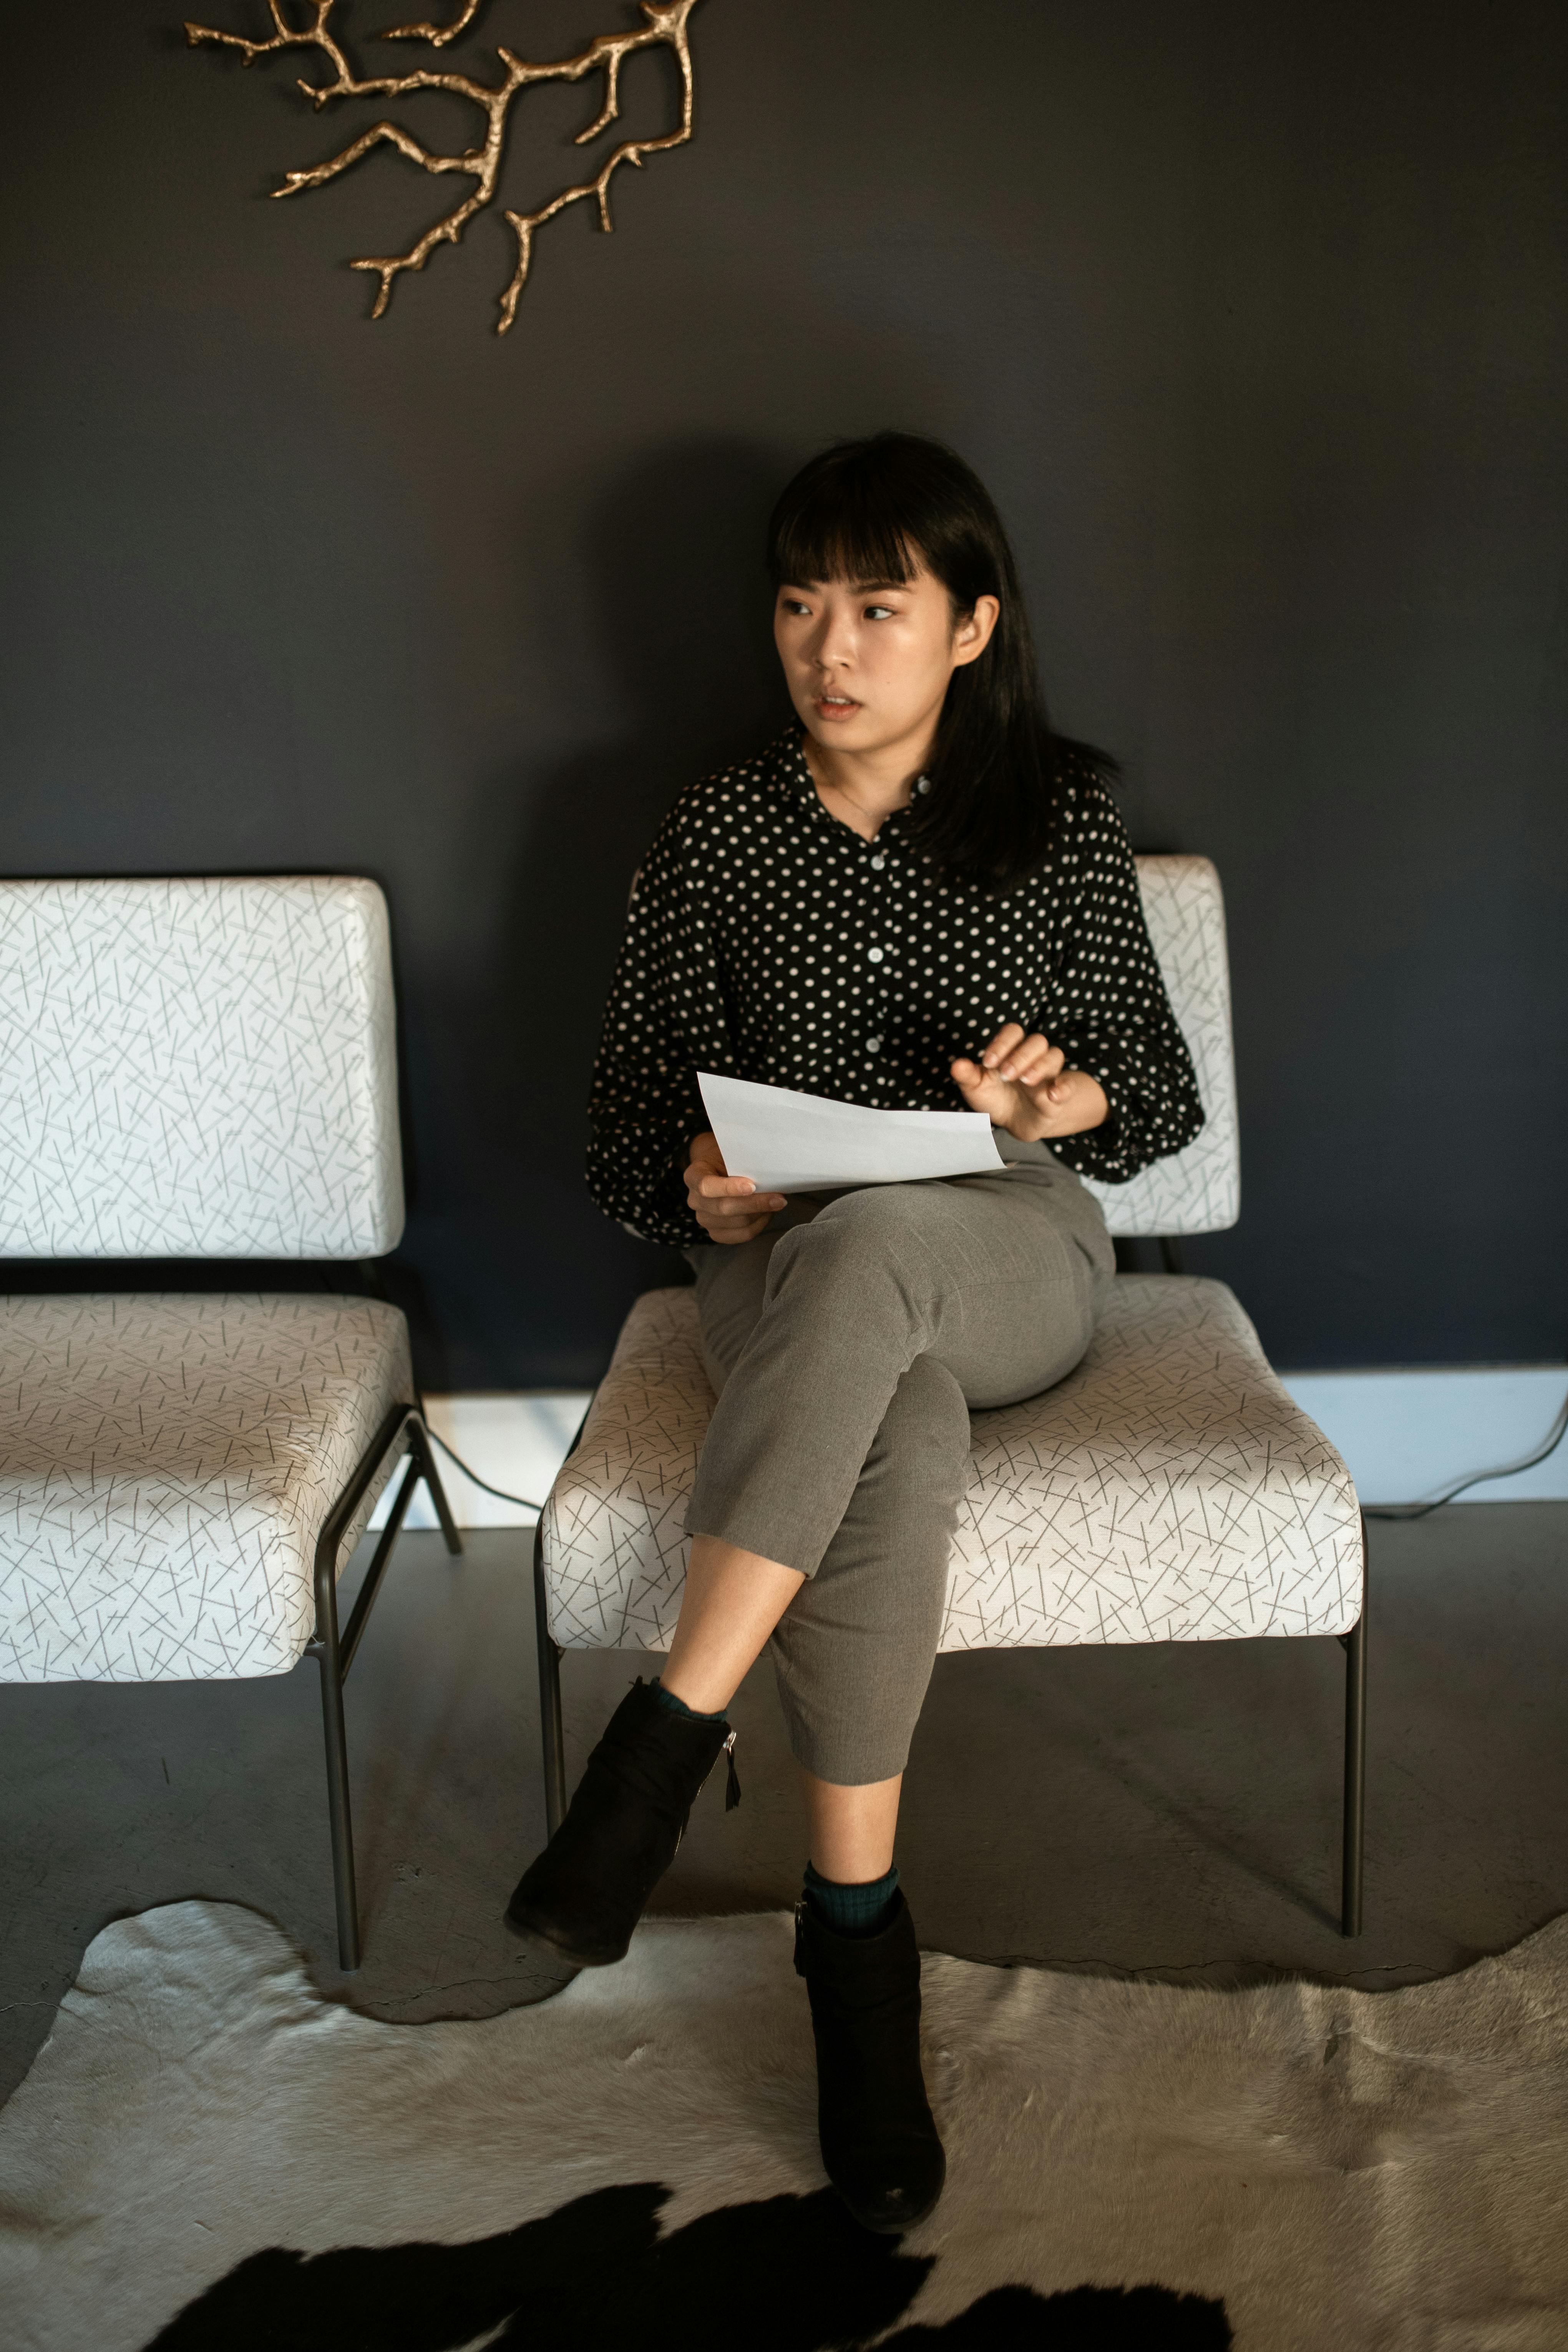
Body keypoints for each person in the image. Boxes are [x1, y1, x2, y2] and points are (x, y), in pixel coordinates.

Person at [505, 433, 1203, 2233]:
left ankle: (660, 1746)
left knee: (893, 1246)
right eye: (802, 601)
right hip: (787, 1271)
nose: (830, 643)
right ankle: (856, 1956)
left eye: (878, 605)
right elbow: (618, 1123)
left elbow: (1157, 1102)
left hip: (1014, 1258)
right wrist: (697, 1178)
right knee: (891, 1423)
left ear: (970, 627)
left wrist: (1061, 1097)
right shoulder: (716, 830)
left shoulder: (1060, 815)